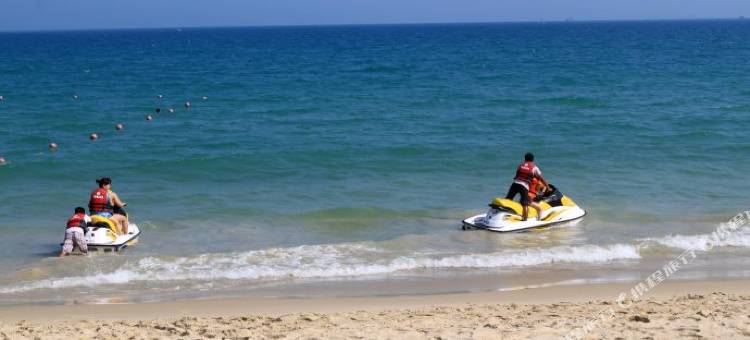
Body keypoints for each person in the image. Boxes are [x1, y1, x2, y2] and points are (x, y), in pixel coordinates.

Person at [506, 152, 548, 221]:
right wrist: (547, 187)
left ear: (525, 159)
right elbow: (541, 178)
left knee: (508, 199)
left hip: (515, 184)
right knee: (525, 204)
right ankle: (524, 220)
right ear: (533, 160)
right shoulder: (534, 167)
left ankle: (503, 214)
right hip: (523, 186)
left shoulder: (520, 165)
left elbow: (518, 175)